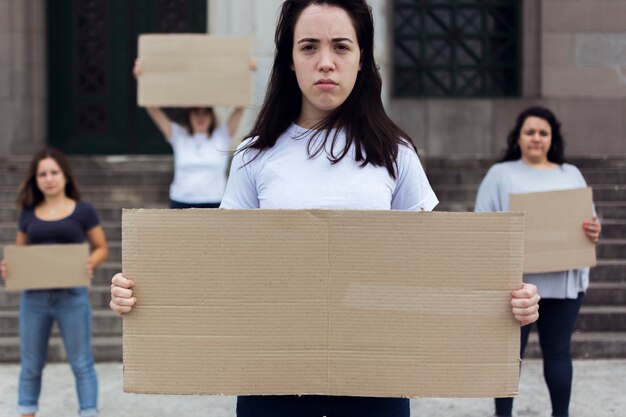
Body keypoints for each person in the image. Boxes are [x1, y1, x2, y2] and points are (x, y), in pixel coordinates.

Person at [111, 1, 540, 416]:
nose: (326, 62)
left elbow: (433, 268)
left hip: (377, 378)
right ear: (290, 61)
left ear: (361, 59)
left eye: (340, 46)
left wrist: (507, 299)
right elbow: (223, 269)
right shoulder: (252, 156)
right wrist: (144, 292)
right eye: (309, 46)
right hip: (271, 377)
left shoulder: (397, 154)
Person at [474, 106, 601, 417]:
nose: (536, 138)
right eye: (529, 132)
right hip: (514, 285)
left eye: (543, 133)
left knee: (558, 353)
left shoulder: (569, 173)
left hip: (563, 280)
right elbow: (482, 224)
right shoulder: (500, 174)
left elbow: (589, 220)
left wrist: (593, 228)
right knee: (508, 357)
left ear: (552, 138)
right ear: (517, 138)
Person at [0, 148, 109, 417]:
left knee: (81, 363)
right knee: (31, 365)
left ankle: (88, 412)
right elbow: (20, 253)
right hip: (34, 299)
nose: (49, 178)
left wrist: (90, 262)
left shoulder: (83, 211)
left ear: (65, 176)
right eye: (42, 174)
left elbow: (101, 247)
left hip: (72, 297)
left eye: (54, 172)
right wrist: (10, 266)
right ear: (35, 179)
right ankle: (27, 411)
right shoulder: (27, 213)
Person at [133, 58, 254, 208]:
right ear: (189, 115)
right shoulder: (178, 135)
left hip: (215, 203)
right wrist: (141, 78)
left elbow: (240, 105)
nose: (200, 117)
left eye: (205, 113)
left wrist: (246, 73)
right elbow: (152, 108)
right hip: (181, 202)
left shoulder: (222, 135)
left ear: (211, 116)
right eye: (196, 112)